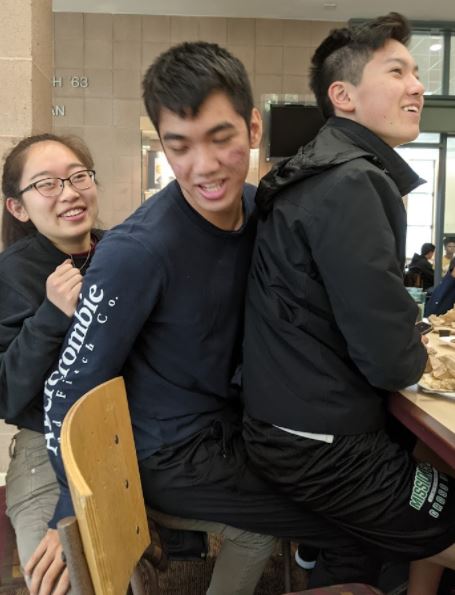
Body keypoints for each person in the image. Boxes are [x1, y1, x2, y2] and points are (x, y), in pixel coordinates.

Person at [28, 42, 382, 595]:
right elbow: (67, 389)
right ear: (163, 147)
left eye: (221, 138)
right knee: (356, 519)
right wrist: (66, 509)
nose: (205, 166)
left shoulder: (263, 209)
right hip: (171, 455)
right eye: (180, 146)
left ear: (254, 128)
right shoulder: (135, 253)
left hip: (239, 427)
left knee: (360, 485)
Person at [242, 12, 455, 595]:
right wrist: (412, 343)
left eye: (416, 72)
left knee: (429, 463)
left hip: (289, 427)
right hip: (320, 448)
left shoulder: (319, 168)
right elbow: (391, 361)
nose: (418, 86)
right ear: (344, 96)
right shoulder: (352, 182)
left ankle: (346, 563)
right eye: (397, 71)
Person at [0, 133, 102, 589]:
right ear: (17, 208)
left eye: (78, 176)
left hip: (128, 437)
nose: (69, 192)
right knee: (60, 581)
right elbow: (6, 394)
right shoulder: (12, 273)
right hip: (46, 449)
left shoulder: (122, 252)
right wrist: (50, 315)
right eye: (47, 184)